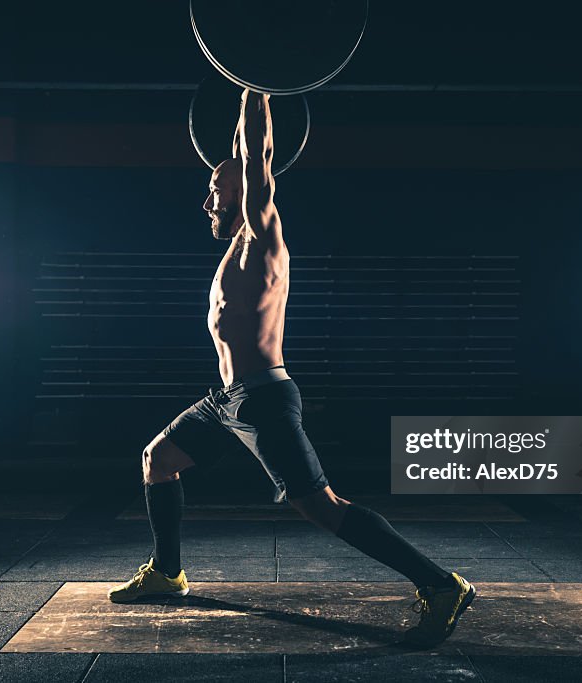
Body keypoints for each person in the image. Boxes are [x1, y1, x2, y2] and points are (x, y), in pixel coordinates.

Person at [107, 88, 475, 647]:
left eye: (215, 191)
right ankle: (167, 572)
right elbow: (238, 149)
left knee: (320, 507)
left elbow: (256, 156)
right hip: (225, 400)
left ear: (244, 193)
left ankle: (440, 584)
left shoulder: (262, 237)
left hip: (263, 399)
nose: (207, 201)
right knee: (157, 459)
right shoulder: (236, 246)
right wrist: (237, 86)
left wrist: (258, 84)